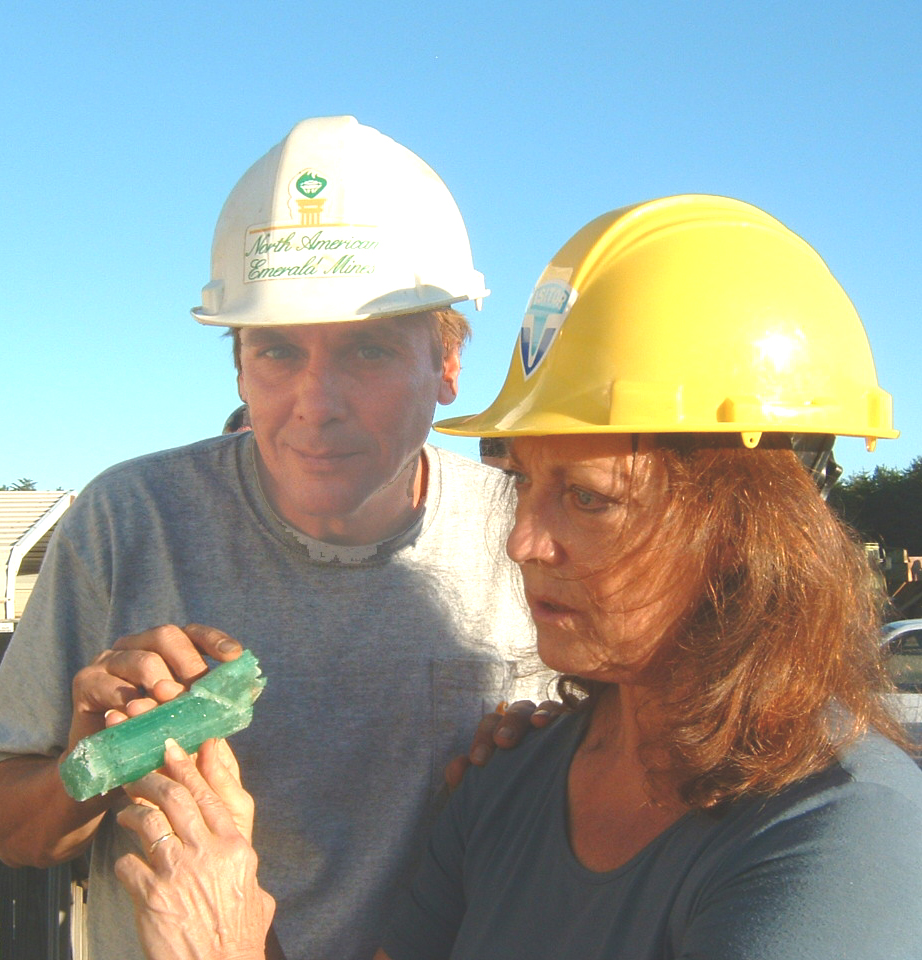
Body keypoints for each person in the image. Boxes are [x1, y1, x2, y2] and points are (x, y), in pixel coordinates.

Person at [116, 195, 922, 960]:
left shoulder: (840, 832)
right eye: (521, 483)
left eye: (588, 498)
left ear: (752, 532)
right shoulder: (507, 781)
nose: (524, 543)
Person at [0, 116, 549, 960]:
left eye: (368, 351)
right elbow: (16, 830)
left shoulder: (525, 534)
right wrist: (90, 764)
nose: (315, 403)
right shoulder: (130, 522)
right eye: (278, 353)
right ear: (239, 365)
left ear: (447, 366)